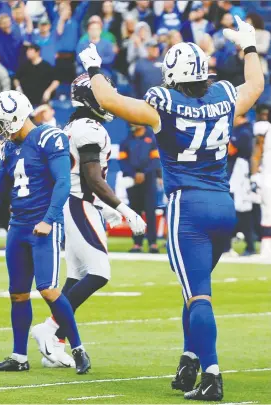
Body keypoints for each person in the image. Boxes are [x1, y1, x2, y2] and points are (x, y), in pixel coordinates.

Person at [78, 15, 264, 401]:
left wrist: (94, 68)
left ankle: (211, 375)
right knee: (193, 291)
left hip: (189, 207)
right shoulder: (223, 96)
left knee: (198, 295)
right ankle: (190, 358)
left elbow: (108, 99)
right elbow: (256, 85)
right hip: (223, 207)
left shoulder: (166, 104)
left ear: (175, 74)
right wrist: (249, 47)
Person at [0, 90, 91, 375]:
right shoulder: (10, 148)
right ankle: (19, 357)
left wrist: (49, 219)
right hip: (18, 226)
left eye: (1, 124)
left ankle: (78, 348)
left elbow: (63, 183)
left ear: (16, 117)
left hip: (43, 224)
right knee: (17, 294)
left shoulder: (48, 137)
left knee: (48, 288)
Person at [31, 73, 146, 368]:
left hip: (79, 203)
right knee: (99, 273)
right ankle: (51, 327)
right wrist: (125, 209)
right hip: (79, 203)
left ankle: (55, 344)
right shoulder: (89, 128)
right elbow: (93, 178)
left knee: (78, 277)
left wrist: (104, 207)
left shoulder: (74, 126)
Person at [119, 124, 161, 253]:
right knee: (134, 212)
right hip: (132, 181)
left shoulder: (151, 140)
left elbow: (155, 160)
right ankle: (137, 244)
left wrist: (144, 173)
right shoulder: (126, 141)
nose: (133, 124)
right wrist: (133, 174)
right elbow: (122, 162)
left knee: (150, 211)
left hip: (148, 180)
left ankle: (153, 243)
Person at [228, 114, 255, 256]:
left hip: (241, 175)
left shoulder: (244, 132)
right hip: (236, 175)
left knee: (243, 211)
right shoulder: (240, 130)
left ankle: (249, 245)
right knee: (236, 210)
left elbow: (230, 150)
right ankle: (232, 244)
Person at [251, 106, 271, 258]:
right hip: (266, 174)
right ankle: (266, 247)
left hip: (266, 176)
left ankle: (266, 249)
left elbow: (256, 153)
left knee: (267, 213)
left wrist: (253, 175)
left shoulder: (262, 128)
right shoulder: (265, 128)